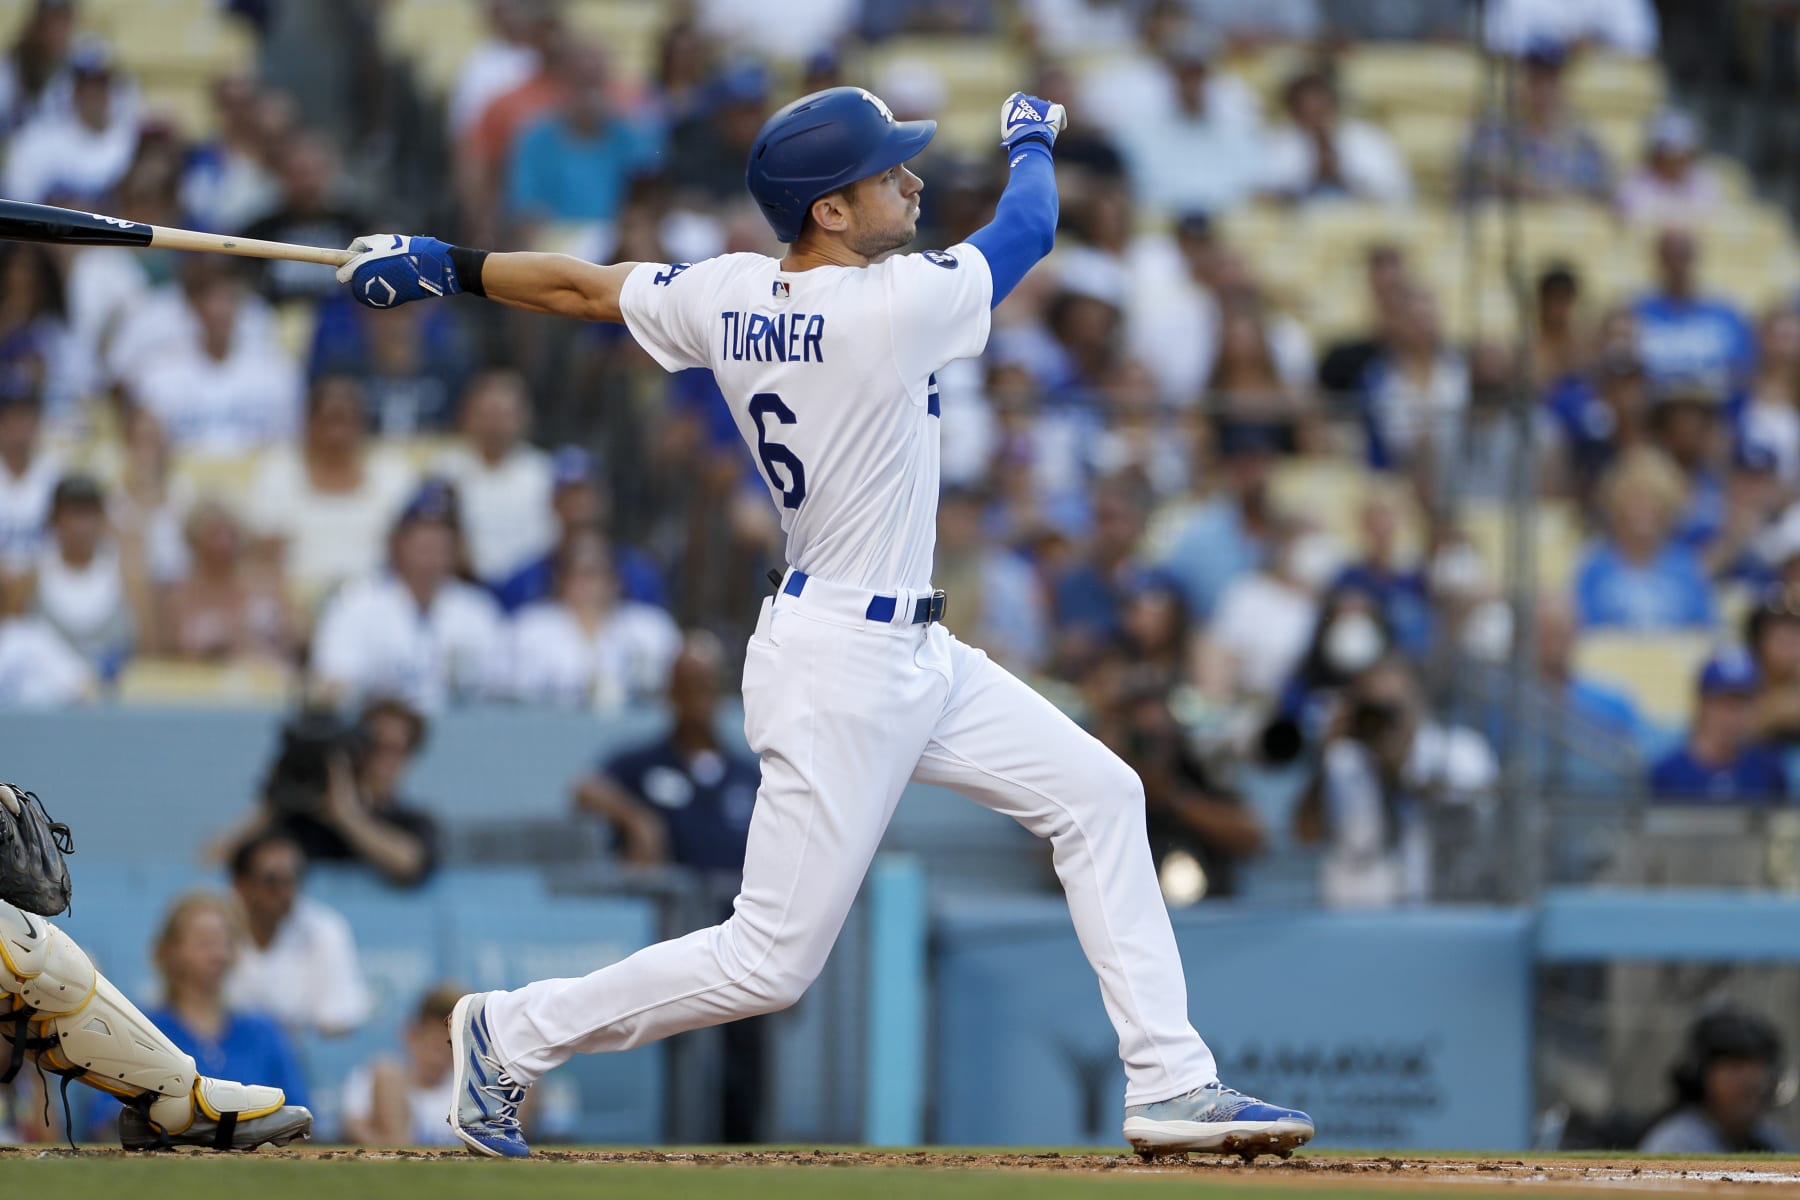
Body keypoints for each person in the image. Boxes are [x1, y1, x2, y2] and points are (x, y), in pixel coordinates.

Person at [334, 85, 1313, 1159]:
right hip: (842, 658)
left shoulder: (728, 292)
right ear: (829, 211)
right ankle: (509, 1032)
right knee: (769, 960)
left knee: (1100, 794)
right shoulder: (888, 304)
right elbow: (1029, 226)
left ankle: (1171, 1082)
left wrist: (449, 263)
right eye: (888, 170)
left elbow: (575, 287)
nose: (913, 179)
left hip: (911, 647)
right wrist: (1032, 134)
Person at [0, 781, 312, 1150]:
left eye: (224, 941)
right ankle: (175, 1103)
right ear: (169, 951)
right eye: (204, 941)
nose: (218, 953)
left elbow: (307, 1120)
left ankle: (173, 1100)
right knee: (28, 949)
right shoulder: (158, 1018)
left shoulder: (261, 1029)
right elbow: (100, 1125)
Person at [1299, 655, 1498, 908]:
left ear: (1418, 702)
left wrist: (1397, 769)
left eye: (1392, 709)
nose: (1385, 723)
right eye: (1374, 710)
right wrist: (1325, 758)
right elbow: (1306, 835)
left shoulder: (1460, 751)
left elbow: (1473, 825)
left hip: (1445, 905)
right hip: (1363, 913)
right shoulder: (1346, 761)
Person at [309, 482, 508, 712]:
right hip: (379, 738)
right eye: (422, 540)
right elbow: (333, 687)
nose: (432, 552)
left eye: (442, 540)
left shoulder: (478, 610)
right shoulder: (356, 605)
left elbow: (500, 694)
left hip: (464, 738)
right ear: (399, 543)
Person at [245, 374, 417, 615]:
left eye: (347, 420)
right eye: (330, 419)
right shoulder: (279, 471)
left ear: (362, 424)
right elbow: (264, 556)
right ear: (309, 423)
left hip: (380, 600)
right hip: (295, 602)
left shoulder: (392, 472)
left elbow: (410, 549)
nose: (337, 432)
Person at [507, 528, 681, 710]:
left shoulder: (652, 627)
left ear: (616, 579)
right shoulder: (528, 627)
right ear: (562, 579)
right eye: (581, 573)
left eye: (598, 573)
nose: (590, 585)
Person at [224, 830, 373, 1039]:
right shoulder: (214, 927)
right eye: (271, 880)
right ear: (241, 884)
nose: (286, 892)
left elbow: (339, 1023)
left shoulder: (326, 930)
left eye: (294, 879)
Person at [429, 370, 556, 590]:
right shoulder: (445, 470)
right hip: (463, 584)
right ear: (466, 417)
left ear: (524, 419)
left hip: (532, 586)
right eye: (486, 414)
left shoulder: (543, 471)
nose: (494, 424)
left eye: (503, 415)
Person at [1573, 448, 1717, 631]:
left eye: (1654, 501)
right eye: (1635, 501)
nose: (1644, 511)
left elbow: (1705, 630)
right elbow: (1581, 630)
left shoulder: (1687, 569)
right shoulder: (1594, 568)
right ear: (1617, 506)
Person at [1459, 40, 1612, 204]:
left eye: (1551, 80)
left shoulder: (1582, 137)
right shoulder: (1494, 127)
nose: (1543, 91)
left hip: (1561, 226)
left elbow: (1601, 186)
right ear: (1521, 82)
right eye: (1535, 80)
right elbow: (1472, 166)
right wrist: (1535, 189)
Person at [1639, 1008, 1792, 1153]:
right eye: (1736, 1066)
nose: (1755, 1081)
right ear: (1701, 1076)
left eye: (1761, 1067)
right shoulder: (1677, 1143)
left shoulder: (1768, 1136)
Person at [1648, 651, 1787, 805]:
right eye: (1723, 704)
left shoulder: (1768, 771)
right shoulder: (1667, 773)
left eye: (1743, 705)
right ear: (1703, 704)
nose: (1733, 716)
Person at [1259, 68, 1411, 207]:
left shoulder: (1366, 137)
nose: (1314, 118)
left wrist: (1339, 165)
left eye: (1319, 110)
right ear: (1293, 111)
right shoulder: (1279, 140)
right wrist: (1315, 164)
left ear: (1332, 105)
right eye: (1305, 111)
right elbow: (1270, 187)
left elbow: (1392, 186)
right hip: (1298, 216)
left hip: (1359, 213)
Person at [1632, 228, 1755, 395]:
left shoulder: (1725, 314)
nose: (1677, 264)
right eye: (1670, 256)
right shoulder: (1636, 312)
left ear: (1695, 257)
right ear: (1659, 259)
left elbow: (1742, 369)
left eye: (1683, 255)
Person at [340, 984, 462, 1147]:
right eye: (433, 1046)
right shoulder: (378, 1077)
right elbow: (353, 1127)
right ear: (411, 1035)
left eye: (448, 1050)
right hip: (393, 1156)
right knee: (386, 1073)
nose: (438, 1059)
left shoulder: (467, 1091)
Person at [1619, 109, 1724, 228]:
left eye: (1684, 156)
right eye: (1670, 157)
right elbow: (1638, 215)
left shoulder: (1702, 178)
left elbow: (1710, 214)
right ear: (1656, 156)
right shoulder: (1635, 178)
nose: (1677, 163)